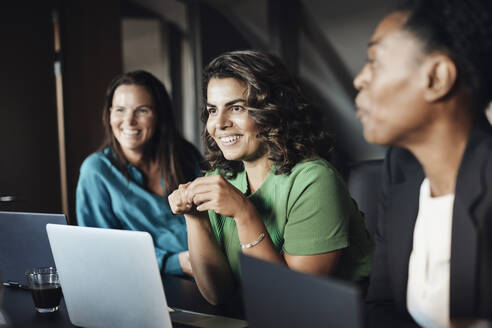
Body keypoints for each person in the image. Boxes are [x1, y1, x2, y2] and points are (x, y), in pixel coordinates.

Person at [168, 50, 373, 304]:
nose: (218, 123)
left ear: (274, 111)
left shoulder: (315, 180)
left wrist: (245, 214)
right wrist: (195, 219)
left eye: (236, 108)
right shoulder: (224, 178)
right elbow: (216, 295)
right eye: (212, 110)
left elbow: (293, 302)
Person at [353, 0, 492, 326]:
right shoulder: (399, 172)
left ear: (437, 77)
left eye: (375, 61)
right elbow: (383, 306)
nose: (360, 79)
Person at [76, 70, 202, 277]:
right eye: (119, 110)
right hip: (142, 279)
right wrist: (175, 262)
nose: (129, 121)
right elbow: (100, 249)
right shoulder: (96, 171)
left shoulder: (186, 155)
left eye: (142, 110)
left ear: (159, 116)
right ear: (108, 115)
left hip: (209, 274)